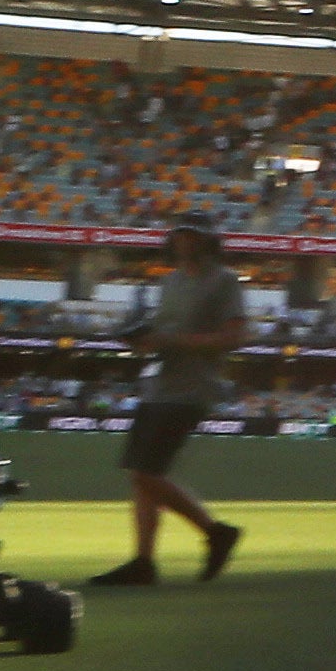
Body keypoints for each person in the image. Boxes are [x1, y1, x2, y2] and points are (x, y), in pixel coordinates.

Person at [90, 220, 248, 584]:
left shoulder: (224, 280)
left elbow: (235, 337)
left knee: (147, 472)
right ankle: (144, 561)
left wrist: (170, 341)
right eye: (179, 233)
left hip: (192, 387)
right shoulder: (169, 281)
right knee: (142, 475)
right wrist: (143, 339)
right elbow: (164, 332)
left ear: (208, 240)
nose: (182, 240)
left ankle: (215, 531)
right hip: (159, 383)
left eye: (191, 234)